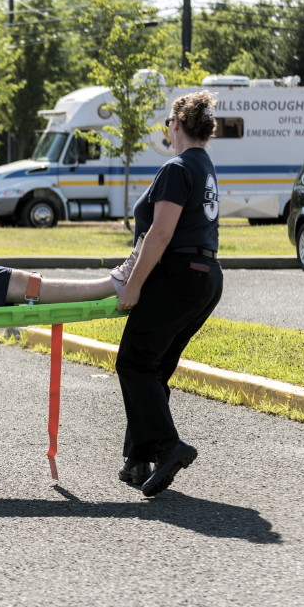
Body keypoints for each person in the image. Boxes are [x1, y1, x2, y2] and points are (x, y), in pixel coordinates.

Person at [113, 90, 224, 497]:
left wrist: (135, 285)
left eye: (167, 123)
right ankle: (138, 459)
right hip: (205, 275)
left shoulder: (177, 167)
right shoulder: (204, 165)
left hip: (179, 275)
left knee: (134, 361)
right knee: (154, 366)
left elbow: (161, 233)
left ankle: (168, 447)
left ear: (175, 125)